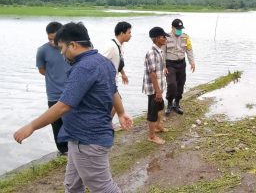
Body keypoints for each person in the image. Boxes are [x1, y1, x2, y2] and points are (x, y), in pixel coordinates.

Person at [14, 22, 133, 193]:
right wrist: (121, 113)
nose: (61, 53)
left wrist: (32, 126)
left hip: (87, 139)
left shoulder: (83, 68)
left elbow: (63, 106)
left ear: (74, 45)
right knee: (72, 185)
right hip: (77, 138)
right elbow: (113, 91)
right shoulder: (103, 61)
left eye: (62, 48)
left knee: (103, 187)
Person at [36, 21, 69, 155]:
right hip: (54, 94)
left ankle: (74, 148)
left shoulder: (70, 48)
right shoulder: (42, 50)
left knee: (73, 121)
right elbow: (42, 70)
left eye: (55, 39)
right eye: (50, 39)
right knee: (56, 124)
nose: (53, 42)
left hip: (71, 92)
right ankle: (62, 151)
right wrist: (55, 78)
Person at [143, 27, 169, 145]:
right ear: (157, 38)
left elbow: (159, 69)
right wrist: (157, 91)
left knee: (160, 107)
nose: (165, 38)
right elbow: (152, 74)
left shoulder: (160, 50)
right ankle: (151, 136)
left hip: (158, 87)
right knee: (153, 111)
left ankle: (158, 126)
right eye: (163, 36)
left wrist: (164, 69)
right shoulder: (151, 53)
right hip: (154, 88)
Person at [164, 18, 195, 116]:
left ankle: (176, 104)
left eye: (180, 28)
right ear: (172, 28)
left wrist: (192, 62)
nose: (179, 30)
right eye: (177, 28)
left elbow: (189, 50)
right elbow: (162, 52)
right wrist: (163, 66)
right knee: (172, 85)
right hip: (170, 64)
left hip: (181, 64)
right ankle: (169, 104)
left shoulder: (186, 37)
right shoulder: (166, 37)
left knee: (181, 85)